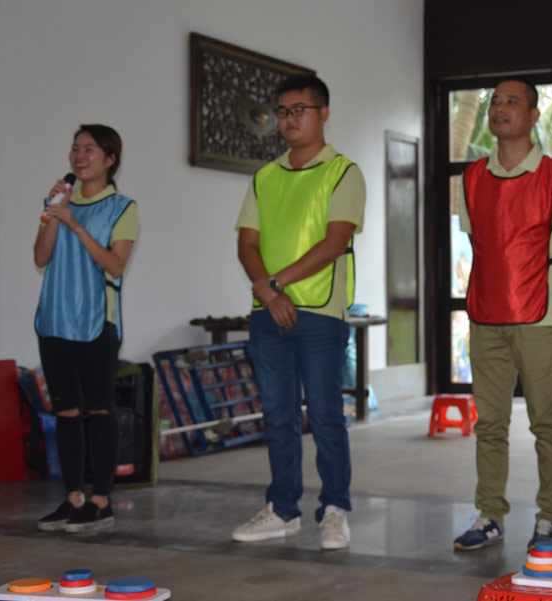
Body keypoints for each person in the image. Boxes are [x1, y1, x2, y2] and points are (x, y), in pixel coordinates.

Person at [452, 78, 552, 551]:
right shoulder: (471, 178)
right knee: (489, 424)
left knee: (544, 421)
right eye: (495, 101)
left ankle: (551, 518)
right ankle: (490, 514)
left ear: (533, 116)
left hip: (538, 320)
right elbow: (481, 243)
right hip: (485, 315)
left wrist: (543, 291)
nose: (500, 108)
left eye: (512, 101)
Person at [233, 74, 365, 550]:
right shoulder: (265, 176)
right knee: (278, 416)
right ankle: (283, 510)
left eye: (299, 110)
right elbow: (246, 243)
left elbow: (334, 242)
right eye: (283, 111)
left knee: (326, 415)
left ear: (323, 114)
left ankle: (335, 510)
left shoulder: (343, 172)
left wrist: (276, 284)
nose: (289, 119)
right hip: (268, 312)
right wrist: (271, 296)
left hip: (320, 314)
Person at [34, 124, 139, 533]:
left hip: (96, 323)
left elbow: (115, 265)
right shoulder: (58, 203)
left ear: (110, 160)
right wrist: (54, 213)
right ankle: (73, 497)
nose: (79, 156)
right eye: (75, 148)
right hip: (54, 322)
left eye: (89, 149)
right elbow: (41, 257)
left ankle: (101, 500)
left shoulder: (122, 208)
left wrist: (76, 225)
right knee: (66, 412)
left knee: (99, 410)